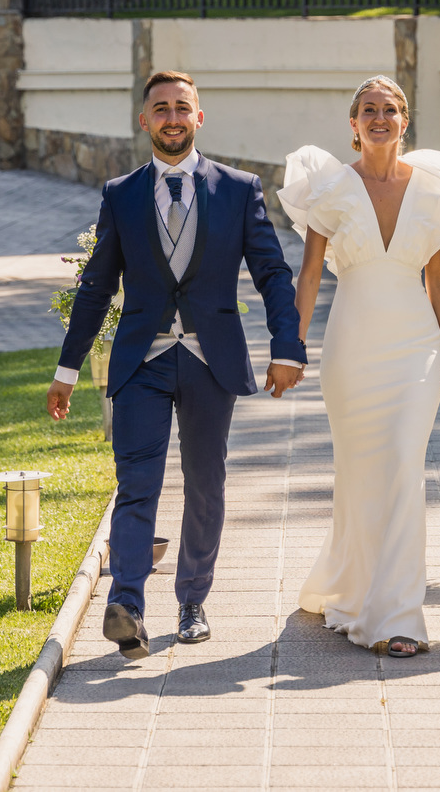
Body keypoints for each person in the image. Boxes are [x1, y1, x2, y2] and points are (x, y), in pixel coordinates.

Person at [47, 71, 306, 658]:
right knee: (136, 482)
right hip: (143, 360)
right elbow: (95, 287)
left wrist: (286, 347)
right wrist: (68, 369)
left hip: (210, 359)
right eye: (160, 109)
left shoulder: (240, 189)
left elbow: (271, 273)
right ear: (144, 121)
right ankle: (129, 606)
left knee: (205, 483)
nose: (171, 118)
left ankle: (192, 601)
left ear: (199, 117)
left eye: (181, 108)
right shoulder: (122, 193)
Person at [281, 76, 440, 657]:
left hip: (415, 347)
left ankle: (397, 617)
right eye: (370, 110)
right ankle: (351, 584)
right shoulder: (332, 188)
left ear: (405, 120)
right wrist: (291, 347)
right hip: (352, 348)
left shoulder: (434, 190)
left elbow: (438, 281)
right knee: (363, 474)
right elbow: (311, 275)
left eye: (391, 109)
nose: (381, 118)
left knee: (401, 465)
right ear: (353, 123)